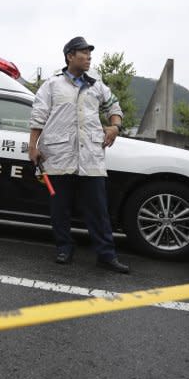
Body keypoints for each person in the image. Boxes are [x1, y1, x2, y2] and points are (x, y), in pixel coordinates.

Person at [28, 36, 130, 273]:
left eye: (90, 54)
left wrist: (115, 126)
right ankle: (64, 248)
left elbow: (114, 107)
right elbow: (38, 116)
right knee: (59, 208)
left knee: (98, 210)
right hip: (58, 155)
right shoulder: (52, 85)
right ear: (70, 56)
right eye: (84, 53)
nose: (89, 58)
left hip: (91, 157)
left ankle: (106, 255)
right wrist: (33, 146)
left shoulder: (97, 85)